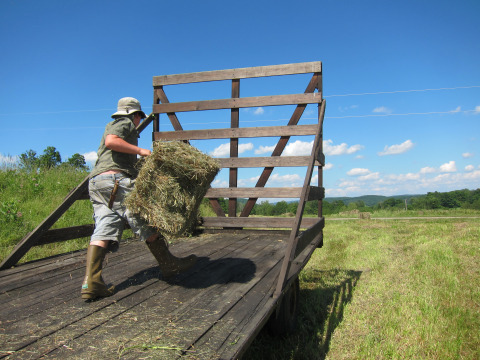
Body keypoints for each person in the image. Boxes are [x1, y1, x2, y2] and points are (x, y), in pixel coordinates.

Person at [81, 97, 197, 301]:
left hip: (98, 183)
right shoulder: (124, 123)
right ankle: (168, 264)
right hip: (114, 180)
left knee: (105, 226)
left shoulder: (114, 123)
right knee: (142, 216)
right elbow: (112, 141)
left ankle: (91, 283)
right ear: (135, 115)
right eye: (139, 117)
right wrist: (141, 151)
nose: (138, 121)